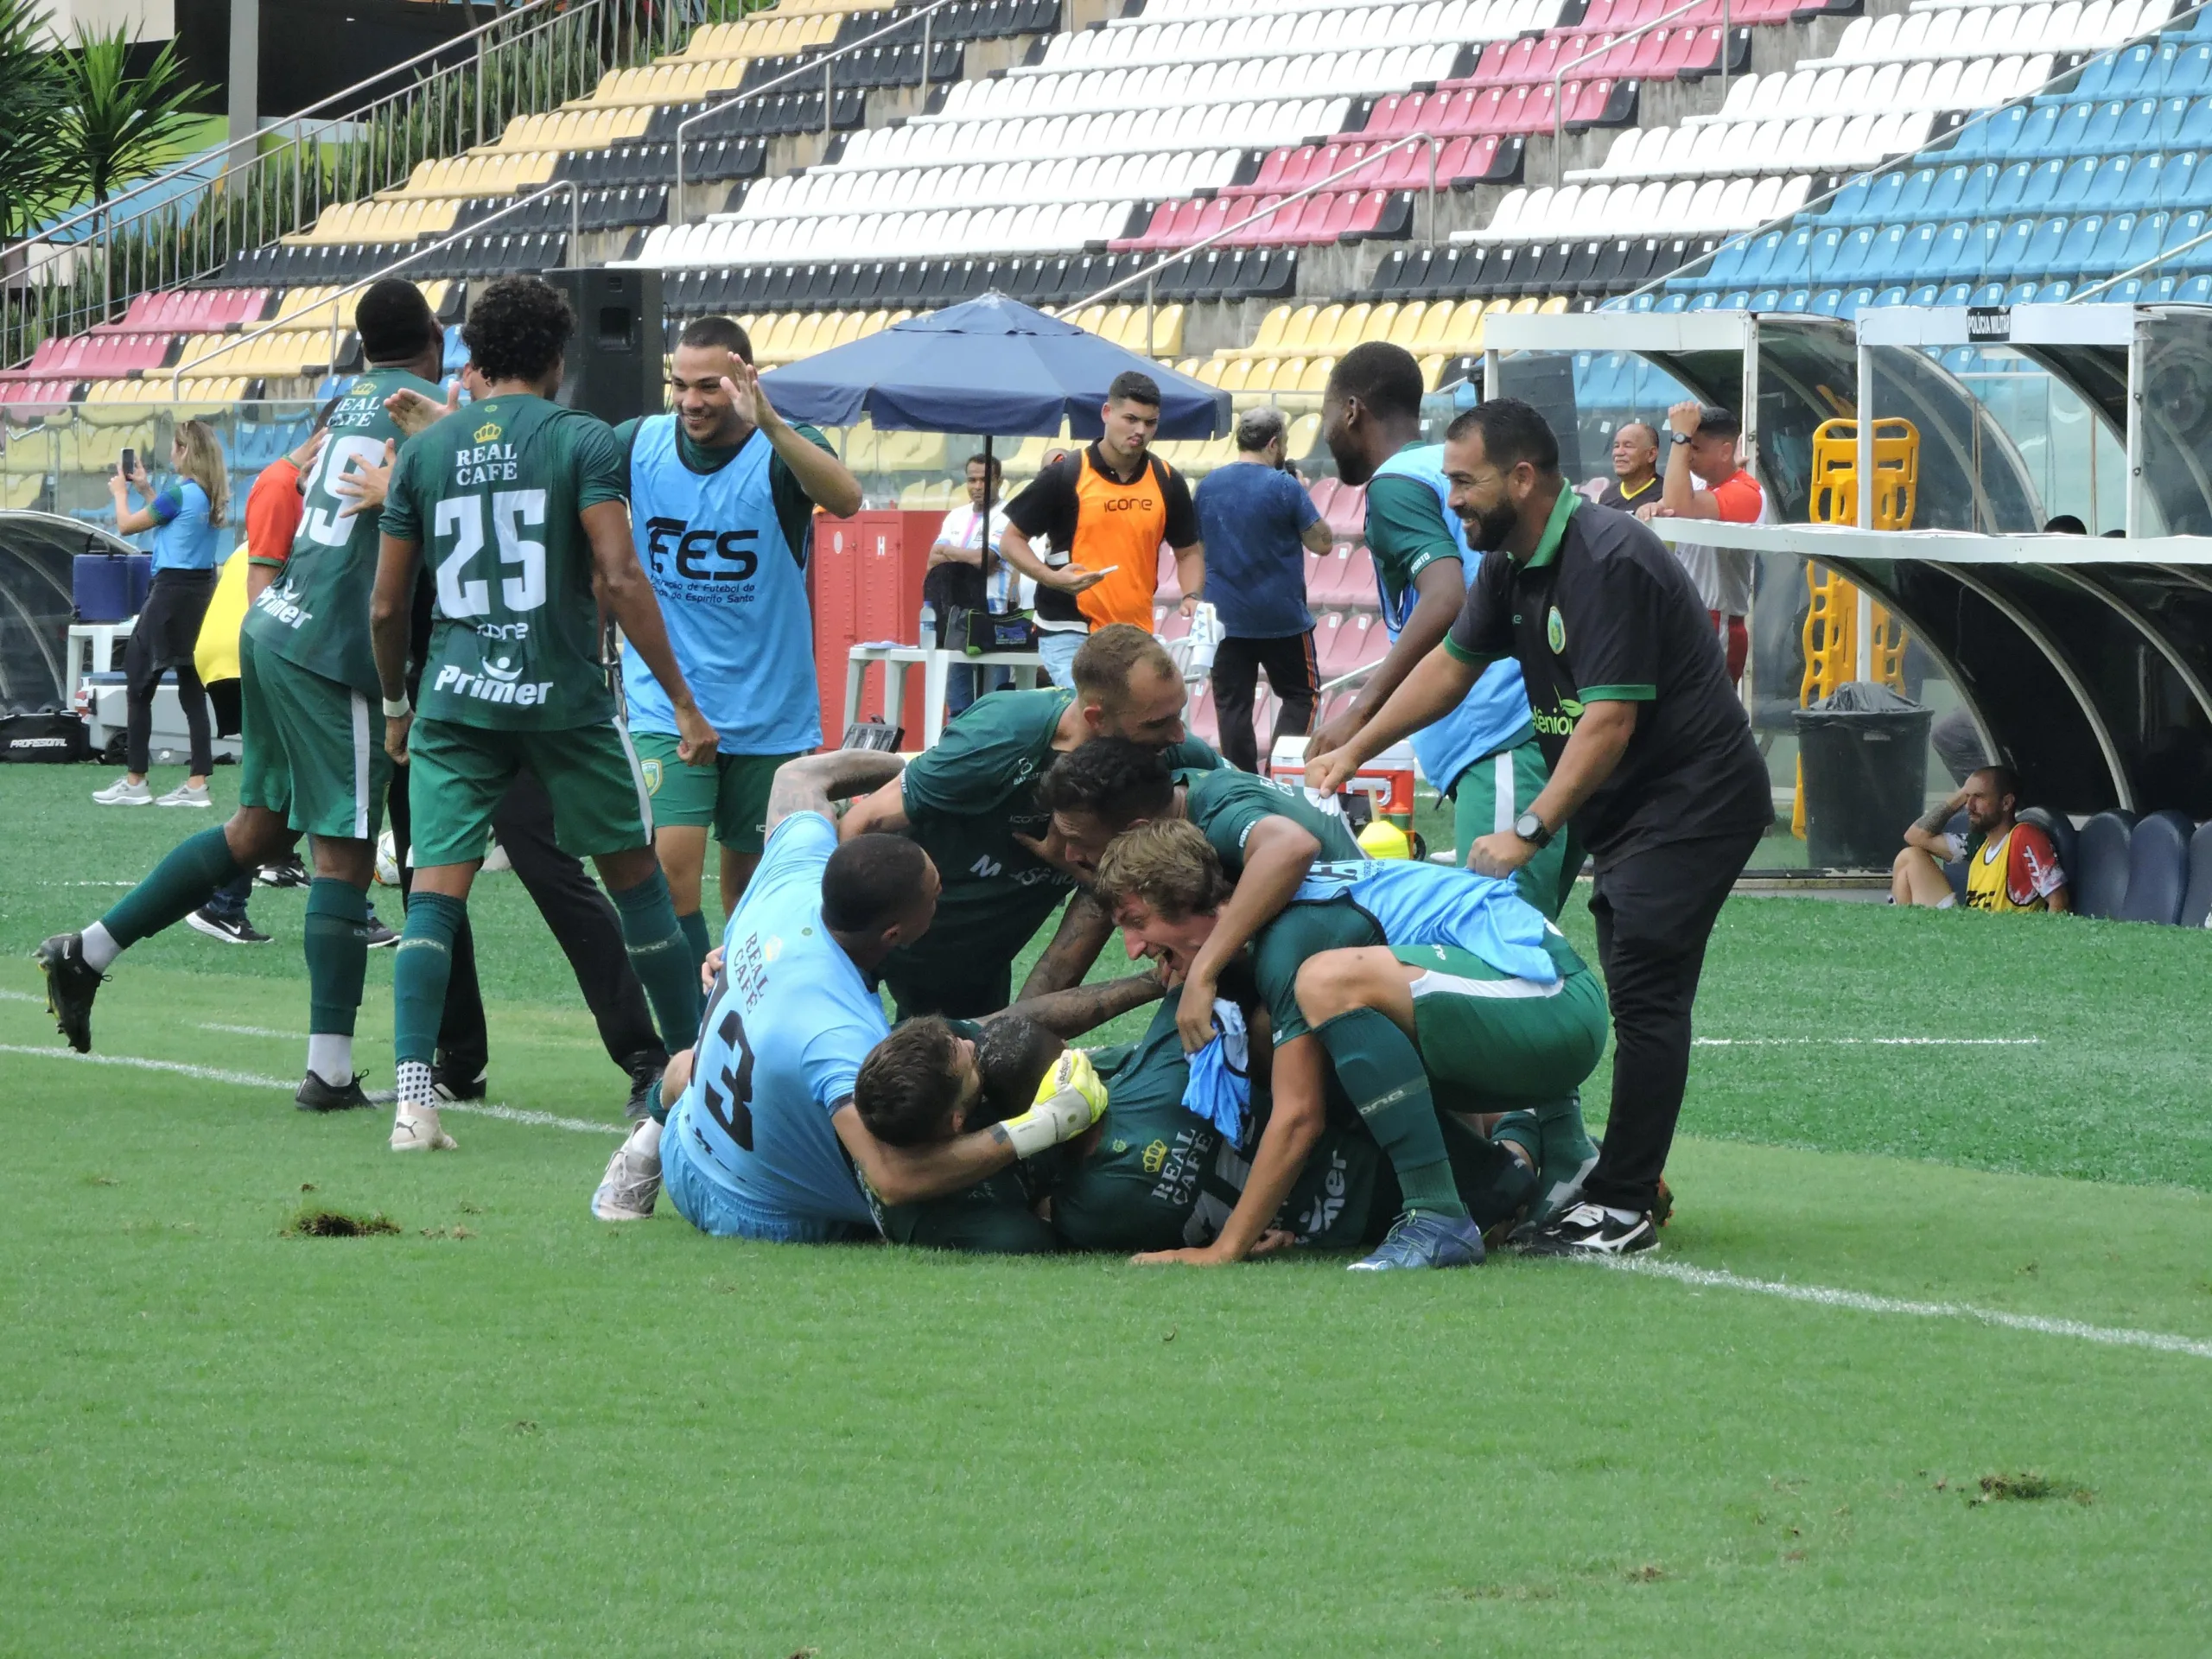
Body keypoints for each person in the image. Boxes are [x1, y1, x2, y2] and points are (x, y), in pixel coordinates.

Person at [1307, 397, 1772, 1257]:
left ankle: (1623, 1201)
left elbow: (1608, 724)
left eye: (1463, 481)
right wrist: (1355, 743)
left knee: (1643, 990)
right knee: (1609, 968)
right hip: (1628, 804)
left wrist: (1527, 826)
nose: (1453, 500)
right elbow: (1451, 669)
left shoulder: (1606, 556)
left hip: (1690, 802)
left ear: (1521, 477)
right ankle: (1590, 1171)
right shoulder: (1512, 564)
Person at [36, 282, 449, 1113]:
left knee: (259, 830)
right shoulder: (429, 410)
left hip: (278, 624)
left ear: (364, 347)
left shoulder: (342, 403)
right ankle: (330, 1070)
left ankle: (88, 950)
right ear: (434, 341)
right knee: (342, 852)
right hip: (341, 644)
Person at [370, 274, 716, 1154]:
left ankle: (416, 1103)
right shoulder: (581, 439)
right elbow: (617, 575)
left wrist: (396, 703)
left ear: (473, 358)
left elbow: (384, 607)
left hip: (454, 699)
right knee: (635, 887)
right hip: (562, 700)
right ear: (559, 360)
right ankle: (690, 1079)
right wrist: (680, 699)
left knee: (433, 897)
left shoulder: (424, 453)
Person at [625, 750, 1127, 1238]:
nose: (943, 895)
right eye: (935, 894)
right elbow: (892, 1178)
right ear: (895, 933)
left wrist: (923, 767)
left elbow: (799, 775)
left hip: (685, 1146)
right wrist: (1041, 1126)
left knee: (689, 1065)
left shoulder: (797, 869)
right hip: (754, 1209)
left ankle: (644, 1142)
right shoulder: (841, 1035)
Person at [1093, 820, 1605, 1269]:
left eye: (1138, 923)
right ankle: (1558, 1155)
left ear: (1187, 898)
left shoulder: (1291, 938)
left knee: (1325, 984)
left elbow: (1300, 1116)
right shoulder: (1275, 923)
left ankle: (1437, 1215)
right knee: (1310, 1028)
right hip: (1529, 1009)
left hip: (1554, 1005)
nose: (1134, 948)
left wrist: (1225, 1248)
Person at [860, 992, 1535, 1257]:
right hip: (1378, 1159)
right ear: (955, 1118)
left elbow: (1039, 1234)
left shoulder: (1082, 1210)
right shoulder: (1159, 1074)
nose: (970, 1041)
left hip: (1339, 1214)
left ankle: (1524, 1146)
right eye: (964, 1056)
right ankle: (1535, 1126)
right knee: (1303, 1018)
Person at [613, 314, 860, 960]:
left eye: (710, 387)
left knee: (752, 888)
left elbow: (847, 500)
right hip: (667, 703)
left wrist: (772, 424)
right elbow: (550, 466)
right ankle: (690, 1032)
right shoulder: (640, 443)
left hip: (770, 710)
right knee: (670, 875)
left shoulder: (780, 450)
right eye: (680, 384)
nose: (691, 401)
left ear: (744, 380)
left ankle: (737, 1009)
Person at [837, 624, 1220, 1020]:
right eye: (1157, 723)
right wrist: (842, 954)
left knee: (974, 1068)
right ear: (1097, 718)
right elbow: (863, 823)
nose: (1178, 735)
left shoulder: (1172, 758)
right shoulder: (1003, 735)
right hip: (895, 935)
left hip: (973, 967)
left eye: (1178, 715)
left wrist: (1066, 863)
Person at [1312, 343, 1568, 917]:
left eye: (1326, 416)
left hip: (1498, 730)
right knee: (1525, 933)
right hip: (1536, 717)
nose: (1326, 433)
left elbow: (1445, 596)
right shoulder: (1443, 470)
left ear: (1352, 411)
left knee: (1497, 934)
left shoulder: (1396, 483)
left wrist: (1360, 710)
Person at [1032, 734, 1359, 1052]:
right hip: (1331, 952)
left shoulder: (1216, 812)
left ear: (1136, 830)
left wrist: (1205, 968)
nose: (1071, 854)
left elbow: (1292, 847)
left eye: (1082, 842)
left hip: (1362, 963)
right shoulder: (1172, 796)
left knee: (1255, 1033)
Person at [995, 371, 1205, 688]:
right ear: (1107, 413)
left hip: (1133, 632)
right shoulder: (1066, 474)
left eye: (1150, 423)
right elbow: (1011, 540)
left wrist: (1191, 595)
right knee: (1090, 719)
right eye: (1131, 419)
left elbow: (1188, 551)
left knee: (1129, 726)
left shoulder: (1166, 480)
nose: (1140, 431)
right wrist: (1052, 578)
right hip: (1068, 627)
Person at [1191, 404, 1334, 774]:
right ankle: (1281, 775)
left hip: (1225, 616)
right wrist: (1301, 495)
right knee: (1302, 696)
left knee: (1232, 705)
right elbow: (1322, 543)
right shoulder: (1284, 486)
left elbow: (1199, 547)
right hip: (1281, 616)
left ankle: (1243, 784)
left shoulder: (1208, 485)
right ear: (1274, 444)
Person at [95, 418, 230, 809]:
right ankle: (197, 784)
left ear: (185, 451)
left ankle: (136, 779)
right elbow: (174, 523)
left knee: (138, 679)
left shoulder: (177, 494)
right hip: (201, 592)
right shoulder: (207, 493)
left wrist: (121, 493)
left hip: (170, 592)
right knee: (191, 688)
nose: (170, 452)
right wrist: (145, 489)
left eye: (174, 445)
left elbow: (126, 525)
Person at [1644, 401, 1758, 686]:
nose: (1688, 456)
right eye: (1688, 446)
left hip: (1717, 619)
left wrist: (1680, 435)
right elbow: (1670, 503)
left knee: (1709, 718)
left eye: (1696, 448)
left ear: (1725, 451)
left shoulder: (1747, 492)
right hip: (1687, 610)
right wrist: (1652, 509)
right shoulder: (1700, 486)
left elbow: (1679, 505)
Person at [1891, 766, 2069, 912]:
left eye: (1979, 797)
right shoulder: (1979, 846)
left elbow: (2058, 900)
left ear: (2006, 803)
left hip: (2005, 945)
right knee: (1910, 858)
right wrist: (1963, 793)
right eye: (1967, 798)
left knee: (1909, 858)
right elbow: (1914, 836)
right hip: (1970, 935)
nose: (1969, 806)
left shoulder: (2023, 836)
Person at [923, 452, 1011, 717]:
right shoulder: (955, 516)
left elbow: (985, 561)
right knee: (958, 706)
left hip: (994, 613)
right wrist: (969, 557)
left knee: (995, 704)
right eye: (971, 480)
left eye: (984, 480)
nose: (977, 486)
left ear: (999, 480)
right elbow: (932, 560)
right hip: (954, 616)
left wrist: (950, 551)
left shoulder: (1008, 516)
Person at [1597, 421, 1659, 514]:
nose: (1619, 452)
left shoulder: (1665, 496)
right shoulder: (1607, 496)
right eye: (1616, 446)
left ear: (1651, 454)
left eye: (1628, 446)